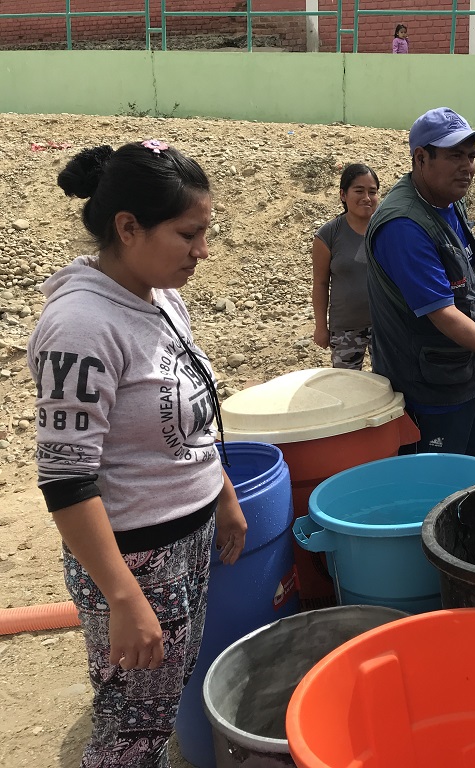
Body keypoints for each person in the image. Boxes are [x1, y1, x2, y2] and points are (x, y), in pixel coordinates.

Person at [29, 140, 248, 767]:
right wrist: (124, 597)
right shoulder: (81, 326)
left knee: (159, 703)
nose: (203, 251)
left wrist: (222, 494)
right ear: (128, 228)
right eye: (189, 234)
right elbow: (66, 479)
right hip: (137, 560)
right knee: (131, 732)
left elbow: (189, 411)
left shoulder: (159, 296)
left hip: (188, 538)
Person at [365, 107, 475, 459]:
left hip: (461, 374)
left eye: (471, 156)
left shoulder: (447, 200)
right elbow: (442, 313)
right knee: (438, 490)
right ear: (421, 157)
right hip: (426, 389)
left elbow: (471, 266)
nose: (468, 166)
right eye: (455, 155)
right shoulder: (403, 226)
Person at [311, 162, 379, 369]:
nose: (366, 198)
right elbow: (321, 283)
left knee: (391, 385)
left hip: (385, 325)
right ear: (343, 194)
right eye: (359, 190)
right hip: (345, 329)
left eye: (372, 191)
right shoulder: (328, 235)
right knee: (347, 388)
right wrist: (321, 327)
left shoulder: (388, 229)